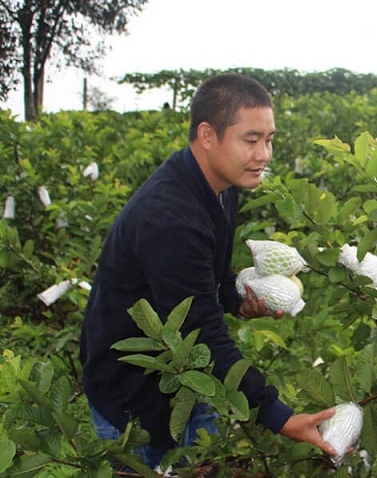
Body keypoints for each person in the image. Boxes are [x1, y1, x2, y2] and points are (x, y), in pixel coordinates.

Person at [79, 73, 339, 469]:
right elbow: (201, 331)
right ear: (207, 135)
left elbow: (201, 282)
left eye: (269, 140)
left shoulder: (220, 187)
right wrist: (279, 416)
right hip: (130, 394)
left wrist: (236, 300)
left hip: (187, 379)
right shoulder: (170, 217)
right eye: (251, 140)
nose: (264, 154)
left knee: (200, 462)